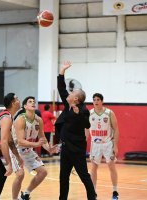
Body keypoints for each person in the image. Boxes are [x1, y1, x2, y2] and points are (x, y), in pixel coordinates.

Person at [55, 61, 96, 200]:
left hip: (77, 149)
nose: (69, 92)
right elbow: (61, 88)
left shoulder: (83, 110)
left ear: (76, 98)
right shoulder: (68, 104)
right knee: (63, 178)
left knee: (84, 175)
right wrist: (62, 71)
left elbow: (87, 125)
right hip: (66, 148)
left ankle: (92, 197)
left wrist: (78, 114)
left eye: (71, 92)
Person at [10, 96, 56, 200]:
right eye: (30, 101)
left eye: (34, 101)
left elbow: (42, 138)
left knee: (43, 172)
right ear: (25, 106)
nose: (33, 103)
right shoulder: (20, 119)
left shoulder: (39, 120)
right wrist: (37, 145)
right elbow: (21, 141)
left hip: (28, 150)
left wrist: (49, 148)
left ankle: (26, 194)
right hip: (16, 150)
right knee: (20, 175)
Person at [85, 93, 119, 200]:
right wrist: (83, 144)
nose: (96, 101)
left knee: (111, 166)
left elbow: (116, 129)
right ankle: (93, 192)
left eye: (98, 99)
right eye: (94, 99)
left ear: (102, 101)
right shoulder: (89, 114)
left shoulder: (109, 113)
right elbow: (86, 130)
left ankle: (115, 191)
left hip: (108, 143)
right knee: (94, 167)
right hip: (95, 144)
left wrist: (115, 146)